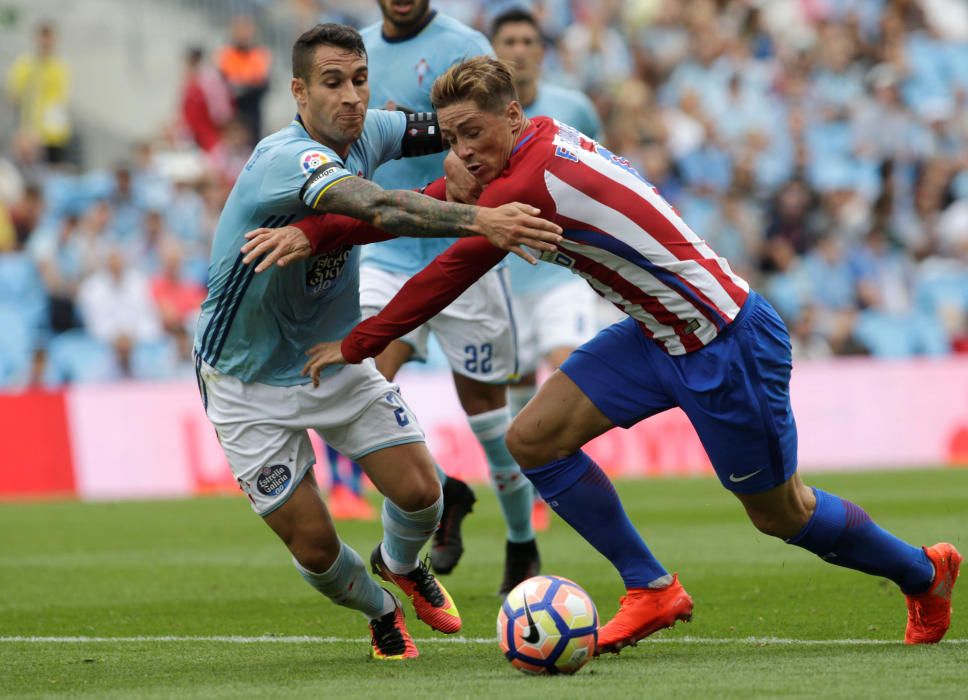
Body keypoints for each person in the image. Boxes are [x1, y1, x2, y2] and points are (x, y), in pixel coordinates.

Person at [296, 56, 962, 651]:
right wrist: (314, 233)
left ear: (513, 115)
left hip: (723, 343)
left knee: (781, 514)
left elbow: (446, 267)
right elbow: (426, 205)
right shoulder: (533, 147)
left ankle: (922, 572)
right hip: (655, 334)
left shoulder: (532, 183)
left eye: (475, 133)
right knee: (534, 439)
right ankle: (650, 587)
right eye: (453, 138)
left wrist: (358, 343)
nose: (464, 151)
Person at [195, 28, 560, 661]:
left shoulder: (374, 131)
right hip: (244, 381)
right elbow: (378, 209)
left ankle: (400, 564)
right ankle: (380, 609)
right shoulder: (288, 159)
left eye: (360, 80)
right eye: (333, 83)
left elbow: (448, 125)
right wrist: (479, 217)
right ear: (298, 92)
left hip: (325, 359)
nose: (352, 97)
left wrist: (460, 149)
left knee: (424, 493)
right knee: (312, 544)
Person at [357, 0, 541, 594]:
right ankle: (445, 488)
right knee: (355, 388)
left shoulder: (464, 42)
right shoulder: (354, 56)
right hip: (386, 246)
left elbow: (496, 129)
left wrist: (452, 154)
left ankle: (521, 542)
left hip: (460, 238)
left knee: (489, 419)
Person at [490, 8, 604, 532]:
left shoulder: (572, 108)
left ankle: (563, 478)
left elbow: (602, 174)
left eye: (527, 40)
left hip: (561, 272)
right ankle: (536, 485)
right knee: (516, 392)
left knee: (565, 374)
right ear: (494, 51)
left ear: (542, 50)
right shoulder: (483, 118)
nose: (518, 49)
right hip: (506, 277)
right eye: (508, 40)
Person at [5, 21, 72, 165]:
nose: (46, 42)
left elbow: (60, 101)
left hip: (53, 134)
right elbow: (14, 96)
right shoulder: (25, 64)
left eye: (49, 38)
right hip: (28, 133)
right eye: (43, 38)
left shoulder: (60, 67)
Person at [217, 16, 271, 146]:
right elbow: (226, 83)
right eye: (240, 31)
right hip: (232, 110)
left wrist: (244, 86)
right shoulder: (226, 54)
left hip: (252, 109)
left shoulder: (259, 54)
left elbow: (262, 83)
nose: (243, 35)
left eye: (246, 31)